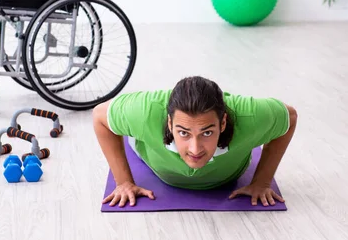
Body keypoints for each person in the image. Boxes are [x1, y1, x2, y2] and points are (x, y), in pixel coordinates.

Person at [92, 75, 297, 208]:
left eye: (207, 133)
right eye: (184, 133)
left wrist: (262, 182)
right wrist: (124, 182)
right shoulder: (144, 112)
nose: (195, 149)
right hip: (152, 156)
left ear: (223, 122)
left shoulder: (251, 116)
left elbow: (291, 116)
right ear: (170, 123)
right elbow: (100, 116)